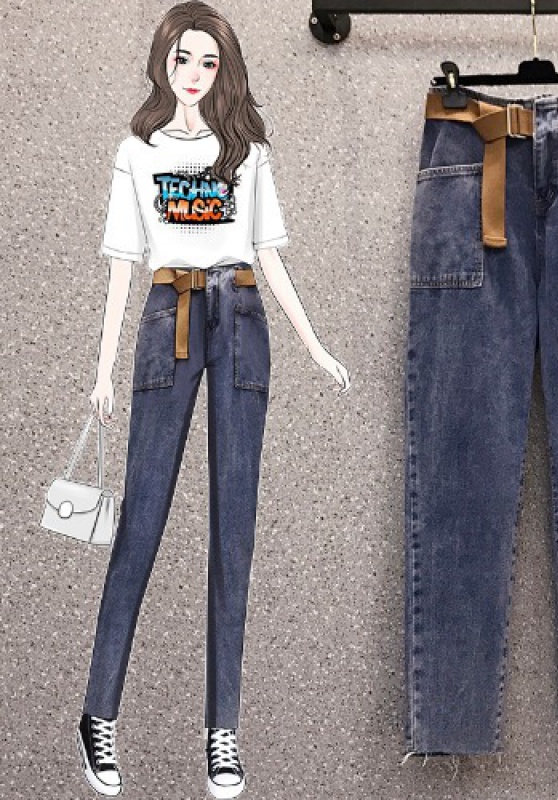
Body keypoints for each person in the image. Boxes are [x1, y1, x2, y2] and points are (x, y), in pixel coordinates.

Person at [75, 3, 350, 797]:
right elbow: (122, 266)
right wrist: (102, 369)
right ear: (162, 62)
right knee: (142, 520)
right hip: (168, 315)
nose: (193, 73)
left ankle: (222, 731)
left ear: (224, 71)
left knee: (236, 532)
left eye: (207, 61)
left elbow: (267, 255)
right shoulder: (138, 153)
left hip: (242, 316)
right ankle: (98, 714)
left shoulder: (247, 153)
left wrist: (314, 345)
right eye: (181, 59)